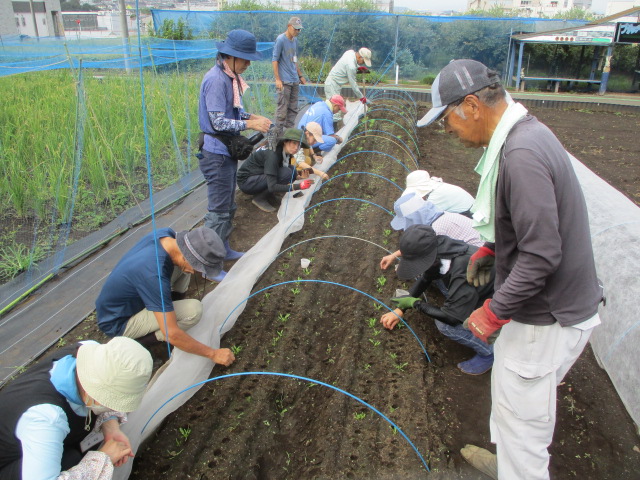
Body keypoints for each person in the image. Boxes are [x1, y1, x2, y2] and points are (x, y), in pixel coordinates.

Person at [418, 59, 602, 479]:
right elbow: (528, 227)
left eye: (447, 119)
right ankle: (509, 464)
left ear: (470, 105)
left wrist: (493, 311)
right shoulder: (525, 133)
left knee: (524, 426)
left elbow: (540, 255)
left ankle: (519, 469)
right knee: (513, 395)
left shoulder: (521, 154)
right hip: (545, 311)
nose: (447, 130)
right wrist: (491, 247)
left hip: (547, 317)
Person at [0, 337, 153, 480]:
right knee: (71, 459)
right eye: (112, 400)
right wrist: (101, 459)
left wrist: (111, 426)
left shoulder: (91, 352)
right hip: (9, 465)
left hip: (35, 445)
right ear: (92, 390)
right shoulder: (47, 420)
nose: (113, 406)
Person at [95, 227, 236, 366]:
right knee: (194, 310)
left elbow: (179, 267)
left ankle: (169, 313)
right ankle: (142, 341)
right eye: (198, 267)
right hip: (119, 321)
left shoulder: (166, 235)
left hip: (133, 297)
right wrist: (213, 354)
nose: (196, 272)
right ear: (184, 255)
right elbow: (172, 334)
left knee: (183, 270)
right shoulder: (153, 275)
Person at [198, 29, 272, 273]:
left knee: (228, 207)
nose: (248, 63)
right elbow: (218, 122)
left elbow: (234, 112)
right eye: (245, 58)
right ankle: (209, 265)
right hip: (216, 155)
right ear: (229, 56)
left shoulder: (229, 78)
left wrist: (252, 116)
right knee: (218, 212)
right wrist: (251, 124)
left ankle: (224, 248)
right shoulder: (216, 80)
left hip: (226, 153)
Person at [380, 225, 496, 375]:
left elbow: (452, 318)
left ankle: (489, 353)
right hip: (478, 289)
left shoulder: (462, 271)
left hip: (494, 302)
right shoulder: (440, 246)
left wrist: (415, 303)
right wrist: (400, 309)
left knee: (444, 325)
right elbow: (427, 277)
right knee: (436, 281)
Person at [380, 192, 483, 270]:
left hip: (484, 262)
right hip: (483, 252)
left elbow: (432, 261)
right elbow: (419, 244)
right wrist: (393, 255)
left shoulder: (436, 230)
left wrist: (407, 268)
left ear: (414, 217)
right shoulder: (439, 216)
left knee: (436, 274)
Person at [237, 128, 326, 213]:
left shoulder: (284, 151)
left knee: (292, 169)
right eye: (294, 143)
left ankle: (269, 195)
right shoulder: (273, 155)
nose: (296, 148)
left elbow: (286, 168)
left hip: (259, 174)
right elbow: (272, 185)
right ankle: (259, 198)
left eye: (298, 145)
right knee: (286, 173)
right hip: (246, 182)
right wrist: (298, 186)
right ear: (285, 141)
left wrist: (299, 176)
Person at [272, 17, 306, 138]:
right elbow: (275, 60)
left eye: (299, 30)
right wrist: (277, 79)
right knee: (282, 110)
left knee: (293, 109)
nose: (297, 32)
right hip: (284, 81)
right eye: (295, 29)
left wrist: (300, 75)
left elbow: (294, 59)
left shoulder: (295, 41)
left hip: (294, 80)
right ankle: (277, 137)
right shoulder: (281, 40)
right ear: (289, 26)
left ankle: (289, 135)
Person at [324, 47, 372, 118]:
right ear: (359, 57)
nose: (363, 63)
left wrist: (358, 67)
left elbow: (346, 64)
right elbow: (353, 84)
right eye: (363, 61)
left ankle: (332, 126)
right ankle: (332, 127)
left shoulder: (350, 52)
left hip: (335, 84)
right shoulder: (351, 66)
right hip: (332, 84)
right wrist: (362, 98)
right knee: (334, 109)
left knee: (335, 109)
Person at [403, 170, 474, 217]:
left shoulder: (435, 197)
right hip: (470, 207)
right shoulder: (436, 187)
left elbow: (427, 216)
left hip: (469, 214)